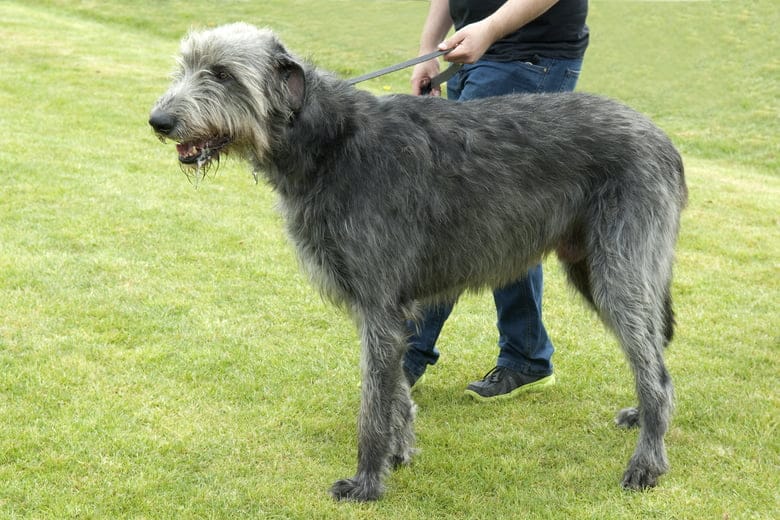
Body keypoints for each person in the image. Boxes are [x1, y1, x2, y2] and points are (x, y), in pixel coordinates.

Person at [404, 0, 589, 400]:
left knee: (459, 219)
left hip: (528, 58)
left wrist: (489, 28)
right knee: (505, 216)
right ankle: (527, 356)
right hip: (475, 53)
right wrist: (428, 49)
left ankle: (404, 358)